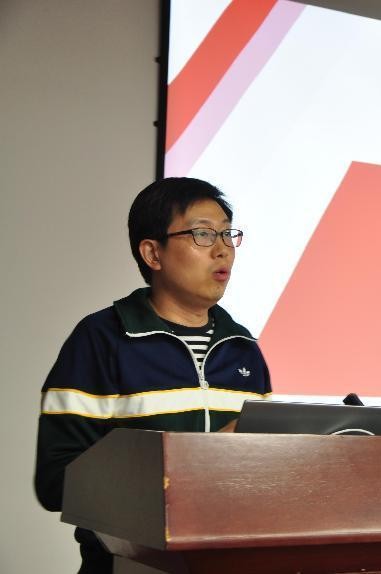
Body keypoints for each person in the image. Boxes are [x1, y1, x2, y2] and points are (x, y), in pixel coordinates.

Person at [34, 177, 271, 574]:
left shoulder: (242, 347)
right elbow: (58, 482)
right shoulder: (102, 340)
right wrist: (197, 459)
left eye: (228, 234)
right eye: (202, 234)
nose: (222, 249)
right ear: (153, 253)